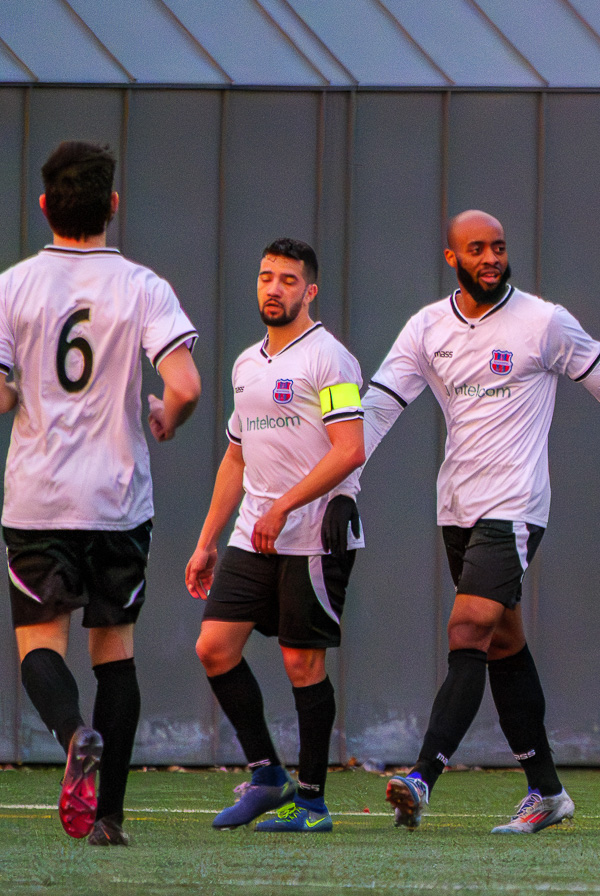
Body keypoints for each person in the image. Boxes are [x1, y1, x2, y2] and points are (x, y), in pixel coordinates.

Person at [363, 209, 600, 835]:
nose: (491, 258)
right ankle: (547, 793)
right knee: (504, 643)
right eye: (477, 249)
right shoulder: (427, 327)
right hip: (454, 508)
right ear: (451, 258)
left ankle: (422, 775)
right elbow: (379, 406)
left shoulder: (544, 321)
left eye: (499, 248)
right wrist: (341, 486)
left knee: (469, 627)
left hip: (515, 507)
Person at [0, 141, 203, 845]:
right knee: (114, 649)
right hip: (118, 499)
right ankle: (109, 817)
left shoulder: (12, 286)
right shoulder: (144, 286)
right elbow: (185, 386)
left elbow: (0, 391)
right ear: (112, 206)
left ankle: (71, 733)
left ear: (46, 205)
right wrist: (164, 418)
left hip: (38, 499)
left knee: (38, 644)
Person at [185, 238, 365, 833]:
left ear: (309, 291)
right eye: (266, 277)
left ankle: (311, 804)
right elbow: (235, 459)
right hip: (250, 535)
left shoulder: (331, 359)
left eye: (288, 280)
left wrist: (285, 507)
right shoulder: (245, 364)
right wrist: (207, 540)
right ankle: (267, 776)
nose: (274, 288)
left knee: (300, 662)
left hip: (310, 537)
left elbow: (350, 450)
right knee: (214, 647)